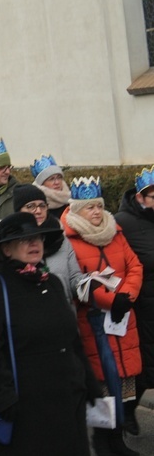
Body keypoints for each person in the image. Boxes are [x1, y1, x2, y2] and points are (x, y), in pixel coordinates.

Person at [0, 212, 100, 456]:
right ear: (6, 250)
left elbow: (71, 338)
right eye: (24, 239)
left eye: (37, 238)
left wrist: (88, 382)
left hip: (66, 399)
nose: (34, 243)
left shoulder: (51, 282)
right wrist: (3, 398)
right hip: (25, 407)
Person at [62, 176, 143, 455]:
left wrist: (126, 297)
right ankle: (102, 441)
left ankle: (118, 439)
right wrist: (110, 300)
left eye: (98, 206)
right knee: (101, 385)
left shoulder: (115, 231)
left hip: (122, 321)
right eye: (89, 208)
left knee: (123, 385)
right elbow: (79, 280)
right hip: (93, 323)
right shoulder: (68, 239)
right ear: (76, 210)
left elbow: (134, 265)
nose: (96, 212)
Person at [116, 165, 154, 436]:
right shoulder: (123, 222)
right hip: (140, 306)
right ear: (140, 197)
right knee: (141, 366)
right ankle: (127, 412)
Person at [13, 184, 82, 306]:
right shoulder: (11, 245)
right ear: (19, 211)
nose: (38, 211)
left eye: (42, 205)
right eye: (30, 206)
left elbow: (73, 280)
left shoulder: (61, 240)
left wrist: (87, 282)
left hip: (63, 313)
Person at [30, 154, 71, 218]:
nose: (57, 182)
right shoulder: (34, 206)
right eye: (51, 179)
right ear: (42, 183)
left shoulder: (72, 201)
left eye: (59, 177)